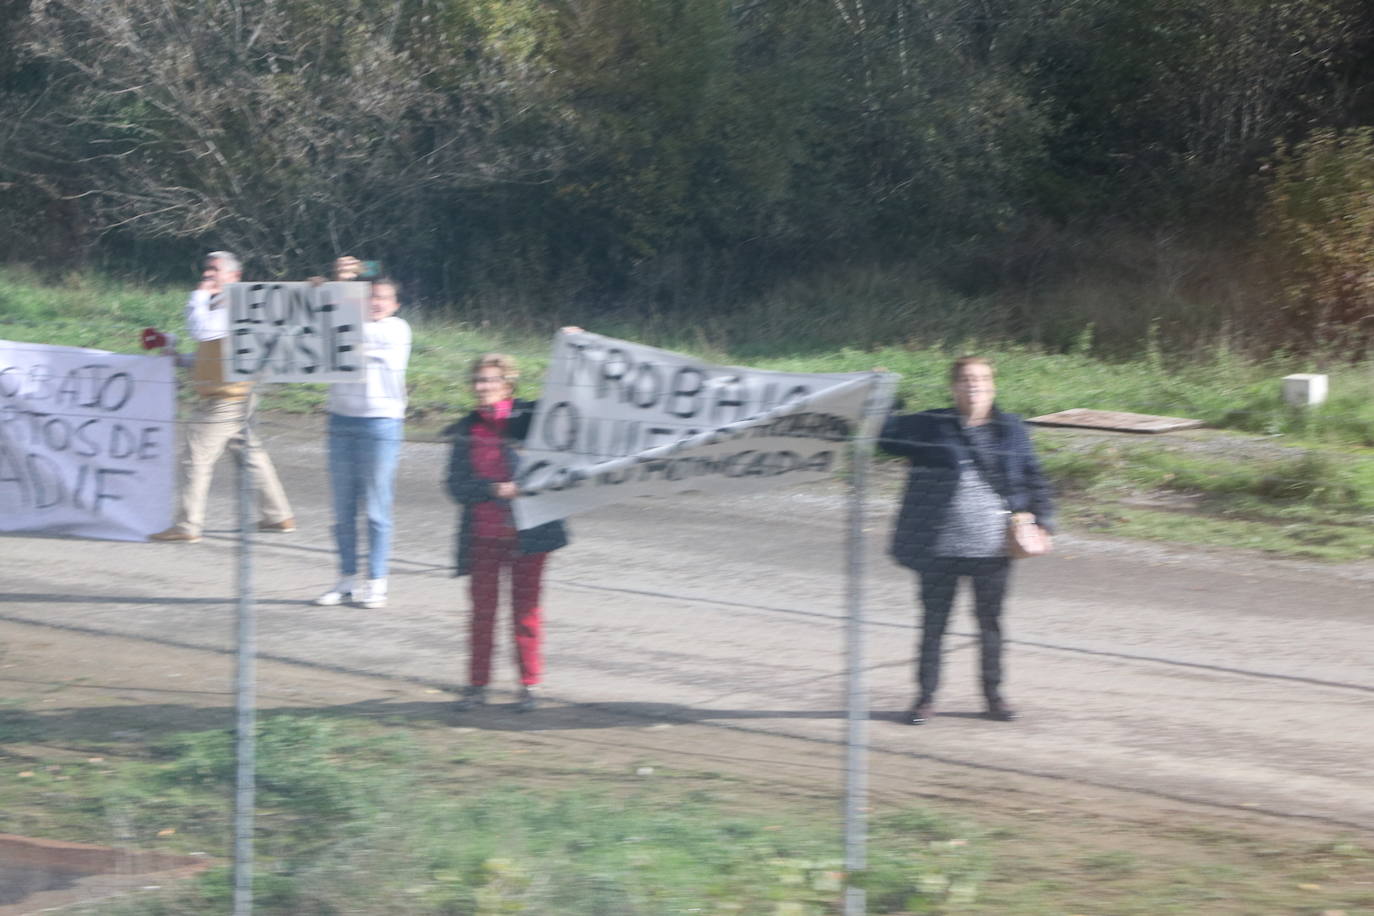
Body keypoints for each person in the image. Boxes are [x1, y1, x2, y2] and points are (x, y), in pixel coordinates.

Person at [880, 356, 1054, 725]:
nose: (974, 385)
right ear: (954, 387)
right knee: (933, 624)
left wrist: (1044, 523)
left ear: (993, 386)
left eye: (981, 379)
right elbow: (886, 437)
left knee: (990, 624)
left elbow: (1034, 477)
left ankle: (994, 697)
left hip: (993, 548)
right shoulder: (932, 424)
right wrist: (884, 394)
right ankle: (924, 699)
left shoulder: (1011, 428)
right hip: (938, 547)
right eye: (966, 379)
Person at [445, 353, 568, 712]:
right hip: (483, 535)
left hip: (530, 533)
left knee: (526, 611)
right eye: (478, 380)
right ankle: (476, 685)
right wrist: (492, 489)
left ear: (508, 384)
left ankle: (529, 686)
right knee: (482, 613)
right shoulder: (466, 428)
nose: (482, 387)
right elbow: (455, 486)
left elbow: (569, 406)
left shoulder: (531, 418)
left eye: (490, 380)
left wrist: (574, 351)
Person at [151, 251, 294, 542]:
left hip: (226, 398)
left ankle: (187, 525)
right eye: (206, 269)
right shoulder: (219, 308)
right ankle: (278, 515)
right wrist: (182, 359)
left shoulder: (232, 307)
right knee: (251, 455)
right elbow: (213, 352)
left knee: (195, 457)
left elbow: (201, 330)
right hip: (234, 394)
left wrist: (198, 295)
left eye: (215, 270)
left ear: (234, 277)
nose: (208, 274)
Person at [312, 264, 412, 609]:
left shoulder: (397, 329)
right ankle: (345, 580)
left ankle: (376, 581)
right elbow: (320, 333)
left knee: (376, 507)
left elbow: (347, 345)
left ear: (395, 304)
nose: (376, 303)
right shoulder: (342, 320)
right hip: (340, 420)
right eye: (370, 297)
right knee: (342, 509)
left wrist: (334, 301)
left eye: (384, 298)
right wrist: (333, 289)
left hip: (380, 424)